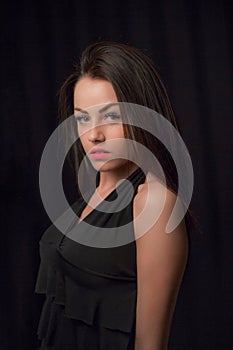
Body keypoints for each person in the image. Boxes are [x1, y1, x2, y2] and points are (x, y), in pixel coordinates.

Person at [35, 41, 191, 350]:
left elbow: (151, 344)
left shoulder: (153, 202)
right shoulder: (90, 196)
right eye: (82, 118)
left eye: (110, 116)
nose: (93, 134)